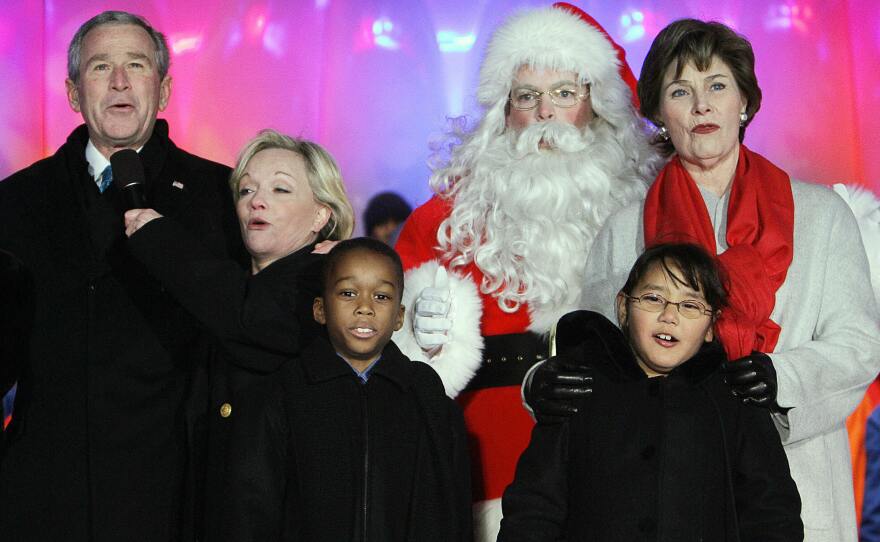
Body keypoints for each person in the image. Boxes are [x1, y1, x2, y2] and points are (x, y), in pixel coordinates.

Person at [529, 18, 880, 542]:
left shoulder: (822, 214)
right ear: (658, 114)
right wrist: (540, 386)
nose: (701, 105)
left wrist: (780, 378)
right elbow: (603, 360)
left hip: (797, 479)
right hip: (663, 494)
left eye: (717, 85)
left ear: (745, 101)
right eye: (680, 90)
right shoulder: (624, 225)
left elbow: (860, 344)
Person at [392, 3, 660, 539]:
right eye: (526, 96)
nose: (545, 113)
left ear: (597, 106)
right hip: (491, 477)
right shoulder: (444, 222)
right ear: (504, 114)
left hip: (631, 470)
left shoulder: (649, 208)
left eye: (564, 93)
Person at [0, 11, 244, 541]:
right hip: (45, 496)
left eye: (136, 65)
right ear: (71, 92)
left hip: (175, 492)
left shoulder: (220, 196)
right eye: (100, 67)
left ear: (165, 87)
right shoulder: (15, 202)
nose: (118, 82)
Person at [124, 130, 354, 539]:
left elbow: (252, 320)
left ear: (321, 216)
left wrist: (160, 238)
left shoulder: (322, 285)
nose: (256, 201)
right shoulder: (227, 288)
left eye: (281, 189)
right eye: (246, 189)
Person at [499, 243, 803, 541]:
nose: (670, 315)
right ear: (624, 307)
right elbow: (533, 509)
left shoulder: (734, 399)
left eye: (690, 305)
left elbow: (773, 514)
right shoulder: (579, 389)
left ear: (711, 325)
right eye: (653, 298)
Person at [200, 237, 472, 541]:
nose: (365, 308)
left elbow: (451, 508)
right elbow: (249, 510)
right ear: (320, 309)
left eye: (381, 296)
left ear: (399, 316)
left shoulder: (423, 395)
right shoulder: (282, 394)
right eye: (348, 293)